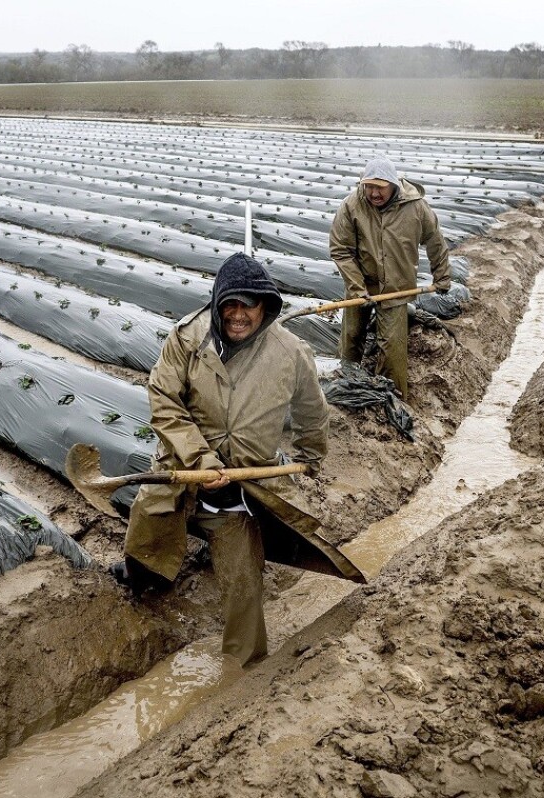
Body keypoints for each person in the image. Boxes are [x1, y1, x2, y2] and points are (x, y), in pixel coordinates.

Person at [111, 252, 362, 667]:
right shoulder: (188, 339)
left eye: (249, 304)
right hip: (183, 465)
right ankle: (143, 578)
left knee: (243, 587)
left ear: (265, 306)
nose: (238, 314)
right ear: (217, 304)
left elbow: (311, 410)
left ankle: (244, 675)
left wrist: (310, 454)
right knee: (148, 530)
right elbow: (164, 398)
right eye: (230, 304)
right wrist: (199, 458)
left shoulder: (290, 352)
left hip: (242, 486)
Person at [328, 156, 453, 400]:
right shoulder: (352, 205)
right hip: (361, 283)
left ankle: (391, 401)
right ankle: (345, 391)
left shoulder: (416, 207)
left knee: (392, 349)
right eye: (369, 186)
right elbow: (340, 249)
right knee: (351, 338)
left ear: (393, 184)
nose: (374, 193)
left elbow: (435, 241)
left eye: (380, 187)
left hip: (396, 288)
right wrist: (357, 287)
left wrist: (442, 275)